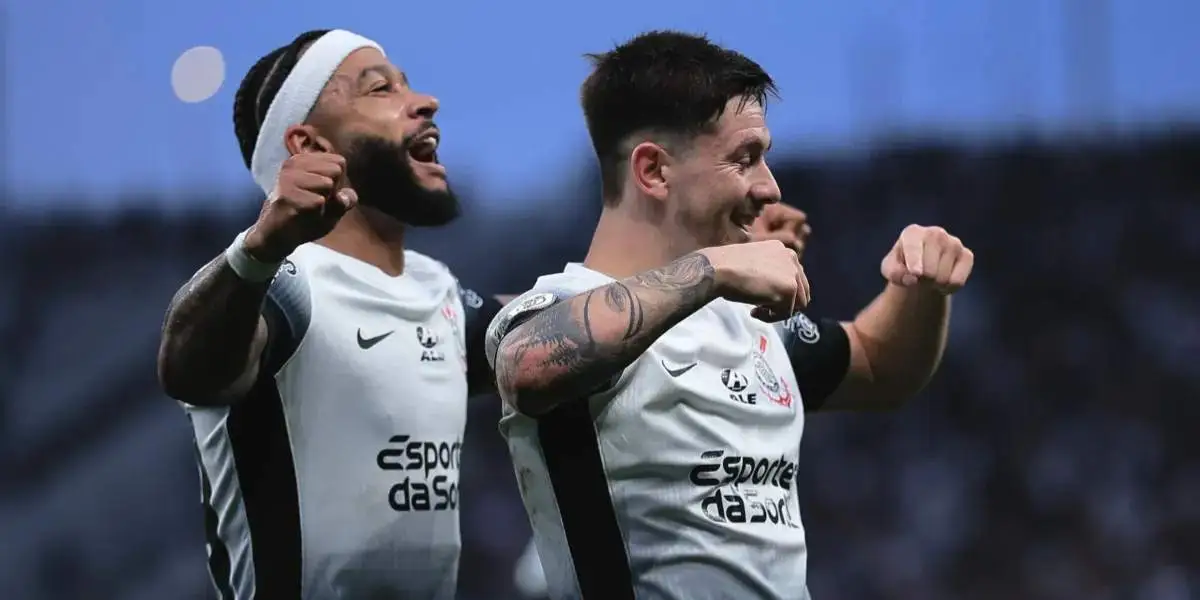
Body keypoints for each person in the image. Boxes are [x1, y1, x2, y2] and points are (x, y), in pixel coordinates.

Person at [485, 31, 975, 600]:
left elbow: (879, 364)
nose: (770, 186)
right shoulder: (559, 303)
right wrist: (714, 268)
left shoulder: (747, 324)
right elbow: (527, 366)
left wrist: (919, 286)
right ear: (653, 171)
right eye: (744, 158)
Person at [156, 29, 506, 600]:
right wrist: (258, 250)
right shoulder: (283, 286)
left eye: (409, 83)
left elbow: (544, 332)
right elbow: (185, 371)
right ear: (310, 145)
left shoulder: (435, 288)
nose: (424, 101)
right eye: (380, 89)